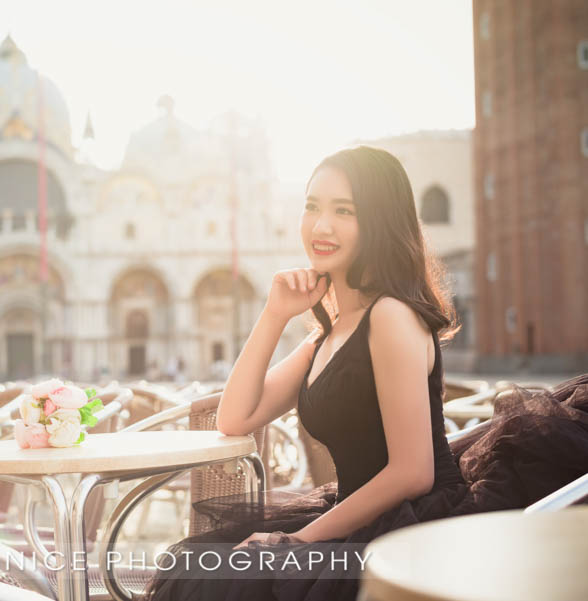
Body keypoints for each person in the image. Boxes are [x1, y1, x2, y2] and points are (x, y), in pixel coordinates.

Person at [142, 146, 588, 601]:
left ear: (378, 221)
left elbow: (413, 473)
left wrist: (298, 542)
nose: (321, 226)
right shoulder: (327, 334)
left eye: (344, 211)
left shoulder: (390, 315)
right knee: (200, 567)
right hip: (353, 517)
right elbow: (234, 419)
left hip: (412, 522)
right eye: (312, 206)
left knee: (222, 579)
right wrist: (273, 315)